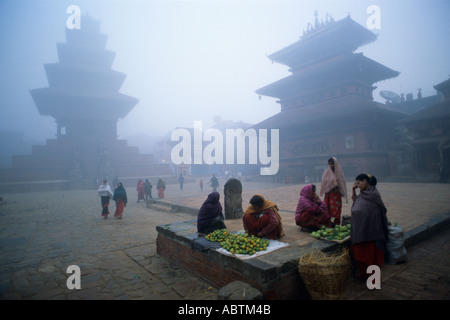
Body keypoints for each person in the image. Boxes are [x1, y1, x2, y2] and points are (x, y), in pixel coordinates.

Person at [350, 173, 389, 278]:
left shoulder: (373, 195)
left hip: (372, 232)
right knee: (362, 257)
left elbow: (377, 210)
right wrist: (353, 190)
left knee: (372, 258)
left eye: (359, 183)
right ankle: (364, 275)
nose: (358, 185)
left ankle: (374, 282)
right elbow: (356, 201)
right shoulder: (363, 194)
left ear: (365, 181)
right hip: (361, 231)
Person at [320, 157, 347, 226]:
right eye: (329, 164)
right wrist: (331, 184)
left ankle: (336, 222)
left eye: (332, 164)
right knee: (327, 207)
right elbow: (324, 181)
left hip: (336, 193)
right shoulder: (327, 172)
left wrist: (336, 184)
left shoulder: (339, 172)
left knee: (336, 208)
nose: (330, 165)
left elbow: (341, 181)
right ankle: (327, 222)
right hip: (328, 193)